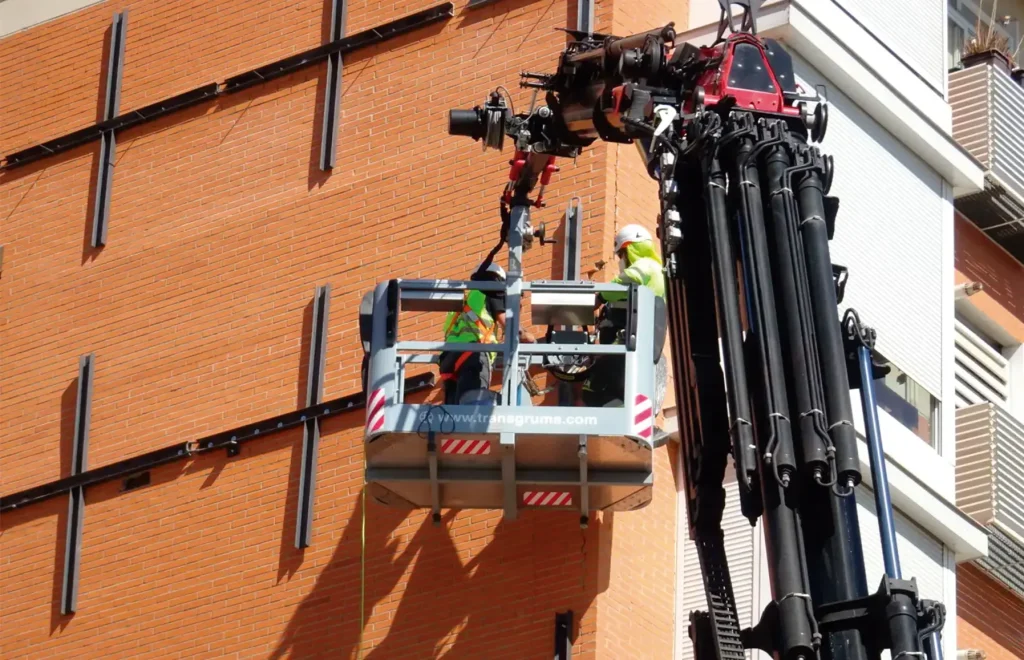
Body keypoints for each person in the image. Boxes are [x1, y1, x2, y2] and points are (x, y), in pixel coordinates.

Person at [582, 224, 666, 408]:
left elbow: (629, 279)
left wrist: (601, 296)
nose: (621, 259)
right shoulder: (657, 270)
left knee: (594, 386)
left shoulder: (645, 266)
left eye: (621, 254)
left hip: (631, 337)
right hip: (641, 337)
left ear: (630, 249)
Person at [439, 262, 536, 405]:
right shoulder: (491, 291)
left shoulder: (466, 300)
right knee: (474, 410)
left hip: (449, 360)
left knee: (454, 416)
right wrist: (530, 338)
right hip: (474, 355)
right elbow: (510, 326)